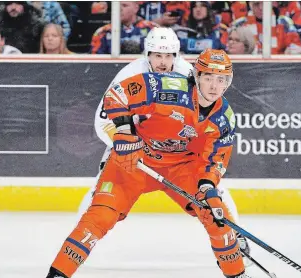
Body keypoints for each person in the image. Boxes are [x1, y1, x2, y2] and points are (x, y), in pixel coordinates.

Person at [31, 48, 271, 278]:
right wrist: (123, 131)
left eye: (222, 80)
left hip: (182, 168)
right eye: (209, 77)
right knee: (100, 216)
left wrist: (208, 189)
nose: (215, 86)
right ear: (197, 75)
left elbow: (214, 160)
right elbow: (117, 94)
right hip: (136, 161)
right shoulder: (166, 86)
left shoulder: (224, 118)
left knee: (217, 215)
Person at [78, 26, 250, 264]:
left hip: (177, 142)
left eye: (169, 56)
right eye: (157, 55)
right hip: (134, 135)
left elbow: (202, 113)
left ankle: (236, 237)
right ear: (147, 54)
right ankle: (82, 239)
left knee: (211, 187)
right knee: (103, 185)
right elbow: (103, 119)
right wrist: (128, 141)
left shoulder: (188, 72)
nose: (163, 61)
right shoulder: (130, 74)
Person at [231, 1, 301, 54]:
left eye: (264, 3)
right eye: (256, 4)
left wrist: (290, 53)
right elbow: (227, 49)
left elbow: (297, 47)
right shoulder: (238, 25)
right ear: (250, 5)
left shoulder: (285, 23)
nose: (261, 8)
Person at [90, 1, 157, 54]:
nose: (119, 9)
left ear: (136, 8)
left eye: (124, 5)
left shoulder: (152, 29)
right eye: (116, 6)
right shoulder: (102, 32)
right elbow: (96, 62)